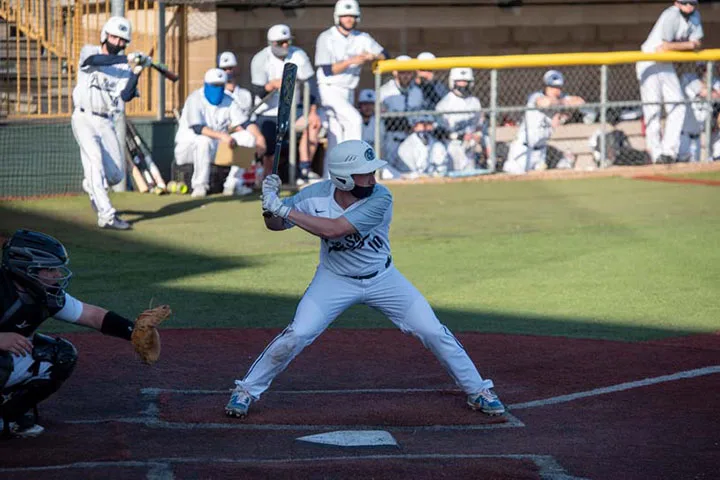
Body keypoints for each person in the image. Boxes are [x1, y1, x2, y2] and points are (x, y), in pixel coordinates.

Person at [224, 139, 506, 420]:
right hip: (333, 280)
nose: (373, 177)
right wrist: (269, 206)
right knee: (297, 333)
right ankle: (247, 390)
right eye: (365, 173)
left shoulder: (381, 198)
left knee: (433, 330)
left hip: (383, 279)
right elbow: (275, 225)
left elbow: (336, 229)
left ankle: (479, 390)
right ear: (343, 178)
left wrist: (284, 209)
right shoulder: (313, 196)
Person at [0, 230, 164, 438]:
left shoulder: (44, 294)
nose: (58, 275)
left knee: (60, 355)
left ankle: (9, 415)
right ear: (26, 269)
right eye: (50, 269)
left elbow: (92, 316)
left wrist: (132, 332)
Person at [71, 16, 150, 231]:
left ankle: (91, 185)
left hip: (106, 121)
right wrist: (129, 60)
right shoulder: (90, 51)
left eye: (122, 39)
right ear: (105, 36)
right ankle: (107, 216)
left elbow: (126, 95)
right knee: (95, 162)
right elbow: (95, 62)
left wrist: (136, 71)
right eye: (114, 37)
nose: (117, 42)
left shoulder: (125, 67)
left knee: (115, 175)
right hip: (84, 117)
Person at [174, 68, 266, 198]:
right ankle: (200, 186)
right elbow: (198, 128)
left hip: (215, 147)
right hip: (188, 148)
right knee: (203, 140)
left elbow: (244, 123)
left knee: (248, 137)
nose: (217, 89)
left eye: (220, 85)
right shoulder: (194, 99)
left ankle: (233, 184)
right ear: (206, 84)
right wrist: (223, 136)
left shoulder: (228, 99)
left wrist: (259, 138)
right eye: (214, 85)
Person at [250, 24, 322, 184]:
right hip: (268, 112)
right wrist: (272, 84)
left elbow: (311, 84)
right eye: (281, 42)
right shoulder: (260, 59)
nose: (285, 46)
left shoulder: (298, 54)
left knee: (314, 124)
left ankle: (305, 169)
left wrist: (312, 111)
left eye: (287, 41)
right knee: (269, 151)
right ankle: (267, 178)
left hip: (293, 110)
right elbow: (258, 91)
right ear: (272, 44)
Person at [315, 0, 388, 156]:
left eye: (352, 16)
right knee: (354, 120)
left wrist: (373, 56)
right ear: (338, 17)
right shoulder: (326, 37)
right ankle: (354, 165)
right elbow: (328, 70)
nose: (349, 19)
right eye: (345, 16)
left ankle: (332, 176)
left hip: (348, 89)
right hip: (329, 88)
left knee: (336, 134)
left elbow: (385, 55)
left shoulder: (362, 37)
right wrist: (352, 61)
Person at [636, 0, 703, 164]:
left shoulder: (695, 16)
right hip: (649, 60)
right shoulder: (671, 14)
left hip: (666, 64)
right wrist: (689, 45)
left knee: (678, 106)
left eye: (692, 3)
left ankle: (668, 152)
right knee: (653, 108)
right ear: (677, 3)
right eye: (686, 2)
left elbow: (698, 42)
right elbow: (665, 45)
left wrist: (684, 46)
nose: (689, 6)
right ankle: (656, 153)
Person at [502, 70, 585, 174]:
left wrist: (562, 105)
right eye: (553, 87)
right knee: (515, 181)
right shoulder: (536, 96)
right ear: (546, 87)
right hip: (523, 149)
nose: (557, 91)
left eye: (559, 87)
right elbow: (545, 103)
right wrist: (563, 103)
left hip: (541, 151)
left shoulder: (561, 98)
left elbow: (580, 102)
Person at [218, 51, 256, 196]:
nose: (228, 72)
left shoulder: (245, 94)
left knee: (248, 137)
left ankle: (234, 183)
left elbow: (248, 120)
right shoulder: (217, 94)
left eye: (231, 68)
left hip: (240, 136)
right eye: (224, 69)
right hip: (221, 136)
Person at [379, 55, 424, 170]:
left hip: (411, 136)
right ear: (395, 72)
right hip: (391, 137)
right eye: (402, 72)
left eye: (408, 72)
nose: (406, 75)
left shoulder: (417, 92)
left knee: (415, 168)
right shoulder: (384, 91)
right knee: (389, 170)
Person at [436, 67, 484, 172]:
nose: (462, 85)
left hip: (470, 147)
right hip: (452, 147)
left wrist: (477, 136)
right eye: (459, 82)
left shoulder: (474, 101)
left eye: (465, 82)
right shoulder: (445, 104)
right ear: (452, 82)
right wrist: (461, 136)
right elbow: (440, 133)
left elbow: (479, 125)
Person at [679, 62, 720, 162]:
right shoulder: (688, 79)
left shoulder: (715, 81)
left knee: (712, 159)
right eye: (701, 68)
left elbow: (716, 95)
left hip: (709, 129)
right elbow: (703, 92)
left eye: (706, 68)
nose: (704, 71)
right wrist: (711, 90)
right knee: (685, 162)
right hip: (687, 133)